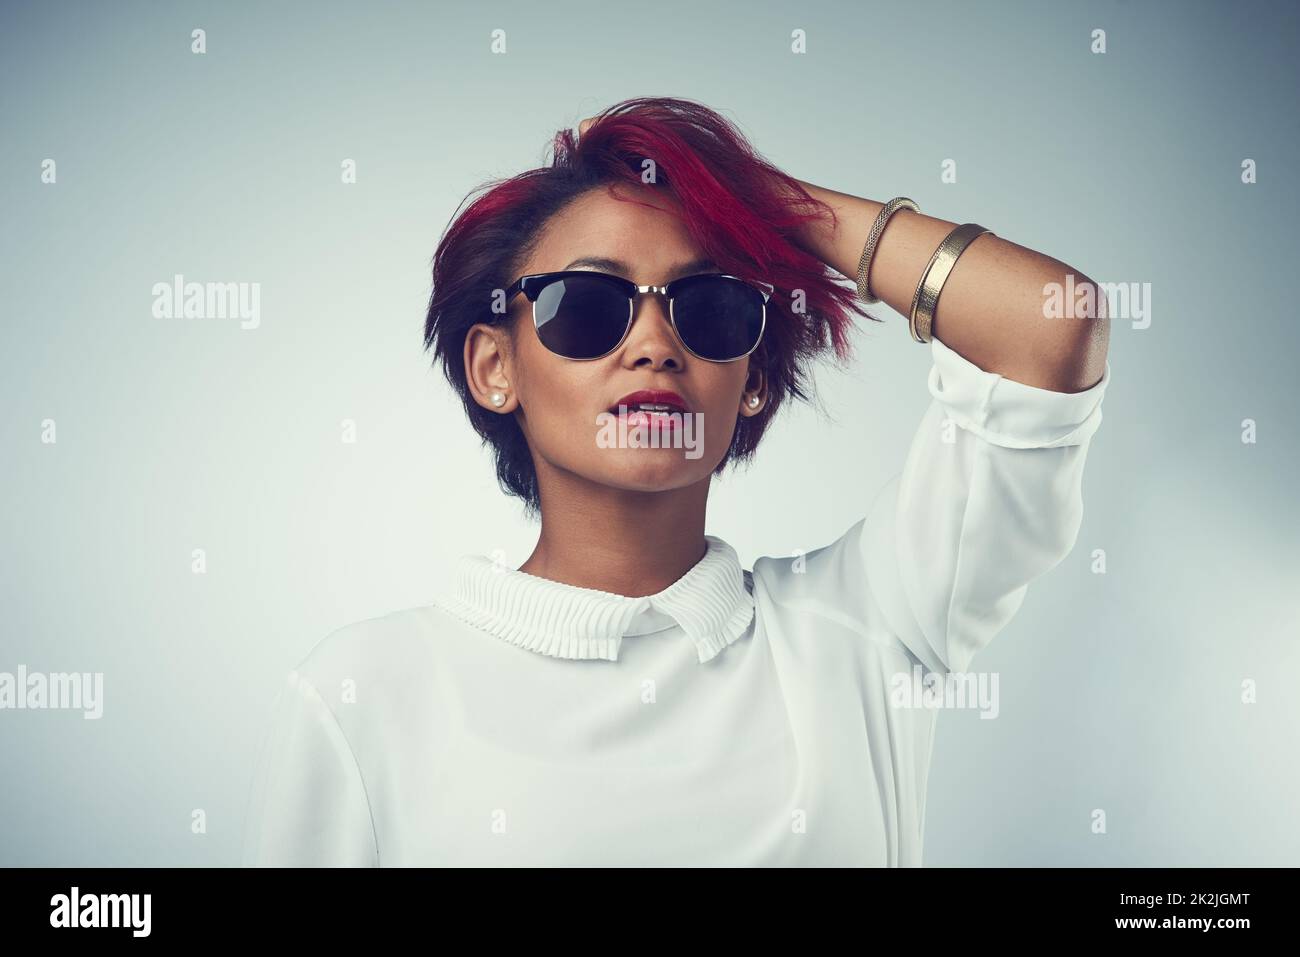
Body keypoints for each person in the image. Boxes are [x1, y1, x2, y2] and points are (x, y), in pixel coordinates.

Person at [241, 96, 1111, 866]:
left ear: (755, 375)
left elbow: (1048, 326)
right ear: (494, 365)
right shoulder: (365, 690)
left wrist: (750, 200)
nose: (655, 343)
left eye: (709, 306)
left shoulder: (866, 626)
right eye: (585, 305)